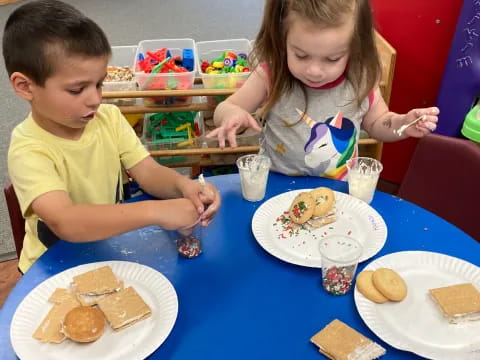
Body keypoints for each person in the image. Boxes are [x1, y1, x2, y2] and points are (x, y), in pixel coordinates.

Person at [3, 0, 220, 273]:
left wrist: (183, 187)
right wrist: (155, 212)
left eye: (99, 83)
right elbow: (66, 221)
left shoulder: (109, 118)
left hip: (110, 247)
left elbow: (148, 173)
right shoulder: (28, 149)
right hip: (53, 267)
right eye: (76, 90)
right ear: (25, 86)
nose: (95, 99)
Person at [208, 0, 439, 179]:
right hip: (275, 185)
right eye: (301, 55)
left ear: (354, 47)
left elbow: (379, 124)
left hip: (339, 190)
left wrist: (402, 124)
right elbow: (225, 108)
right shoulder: (271, 74)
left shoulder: (361, 79)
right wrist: (231, 114)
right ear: (282, 39)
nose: (315, 71)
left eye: (332, 58)